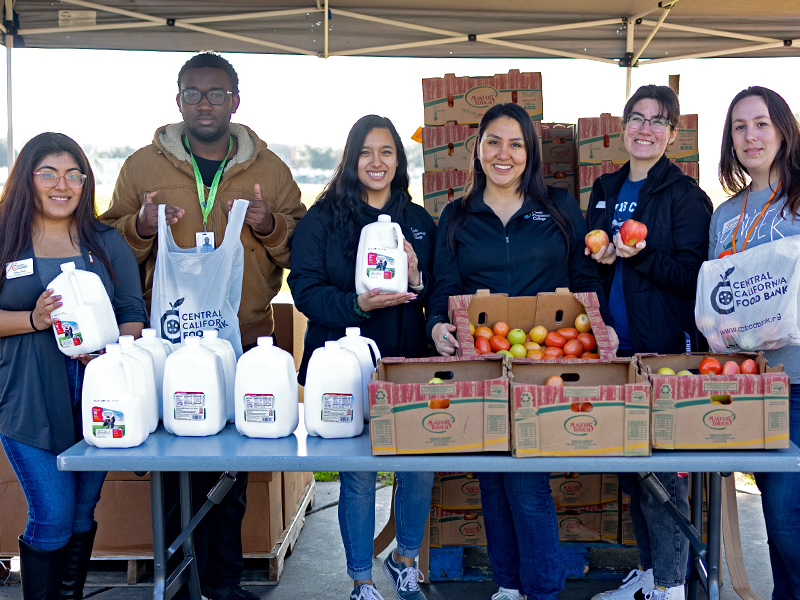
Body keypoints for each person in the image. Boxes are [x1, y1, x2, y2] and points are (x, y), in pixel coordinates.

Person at [101, 52, 306, 600]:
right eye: (193, 92)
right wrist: (140, 227)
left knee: (230, 471)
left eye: (216, 93)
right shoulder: (143, 167)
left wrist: (271, 224)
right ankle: (177, 579)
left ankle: (224, 583)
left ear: (236, 101)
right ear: (178, 100)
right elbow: (109, 245)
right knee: (172, 466)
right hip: (167, 344)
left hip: (241, 338)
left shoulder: (271, 170)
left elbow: (302, 246)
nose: (205, 103)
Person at [428, 103, 617, 600]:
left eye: (515, 143)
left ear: (530, 152)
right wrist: (437, 329)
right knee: (492, 478)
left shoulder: (556, 206)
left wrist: (601, 328)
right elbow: (443, 289)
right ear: (478, 149)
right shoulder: (458, 215)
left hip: (546, 362)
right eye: (493, 141)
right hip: (484, 361)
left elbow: (583, 276)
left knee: (528, 479)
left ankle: (542, 589)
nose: (503, 153)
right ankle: (510, 585)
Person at [288, 115, 436, 600]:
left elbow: (438, 294)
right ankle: (360, 580)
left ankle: (404, 559)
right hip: (341, 364)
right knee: (358, 470)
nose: (377, 162)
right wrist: (357, 304)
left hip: (406, 360)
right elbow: (305, 289)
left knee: (417, 463)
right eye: (367, 152)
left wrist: (416, 279)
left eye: (387, 152)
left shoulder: (417, 222)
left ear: (399, 160)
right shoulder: (323, 218)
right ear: (352, 159)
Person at [0, 132, 147, 600]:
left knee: (83, 512)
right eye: (48, 173)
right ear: (28, 178)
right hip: (26, 398)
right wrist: (33, 319)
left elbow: (132, 315)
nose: (61, 184)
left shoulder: (105, 241)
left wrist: (108, 349)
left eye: (73, 174)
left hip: (98, 397)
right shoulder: (5, 239)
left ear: (85, 182)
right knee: (54, 515)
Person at [585, 85, 712, 600]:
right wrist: (599, 320)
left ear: (673, 134)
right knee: (630, 469)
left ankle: (670, 585)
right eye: (637, 118)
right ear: (622, 127)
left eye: (658, 121)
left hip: (662, 350)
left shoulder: (684, 196)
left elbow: (693, 276)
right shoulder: (604, 187)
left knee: (660, 472)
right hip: (613, 350)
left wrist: (639, 256)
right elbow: (588, 265)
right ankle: (649, 571)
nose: (645, 129)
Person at [710, 85, 800, 599]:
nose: (750, 136)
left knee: (789, 523)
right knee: (775, 519)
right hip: (754, 385)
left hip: (799, 377)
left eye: (761, 123)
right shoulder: (726, 216)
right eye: (740, 127)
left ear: (784, 128)